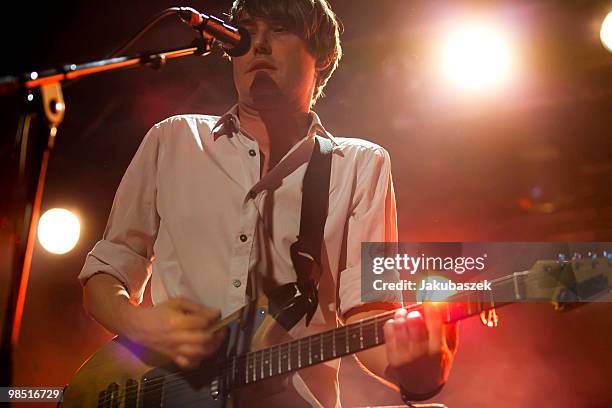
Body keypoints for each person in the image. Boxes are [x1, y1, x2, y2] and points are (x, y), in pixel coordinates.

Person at [78, 0, 458, 406]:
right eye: (245, 31)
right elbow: (107, 273)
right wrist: (139, 324)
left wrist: (419, 370)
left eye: (278, 29)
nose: (257, 44)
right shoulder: (173, 139)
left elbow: (368, 312)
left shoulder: (362, 165)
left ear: (322, 58)